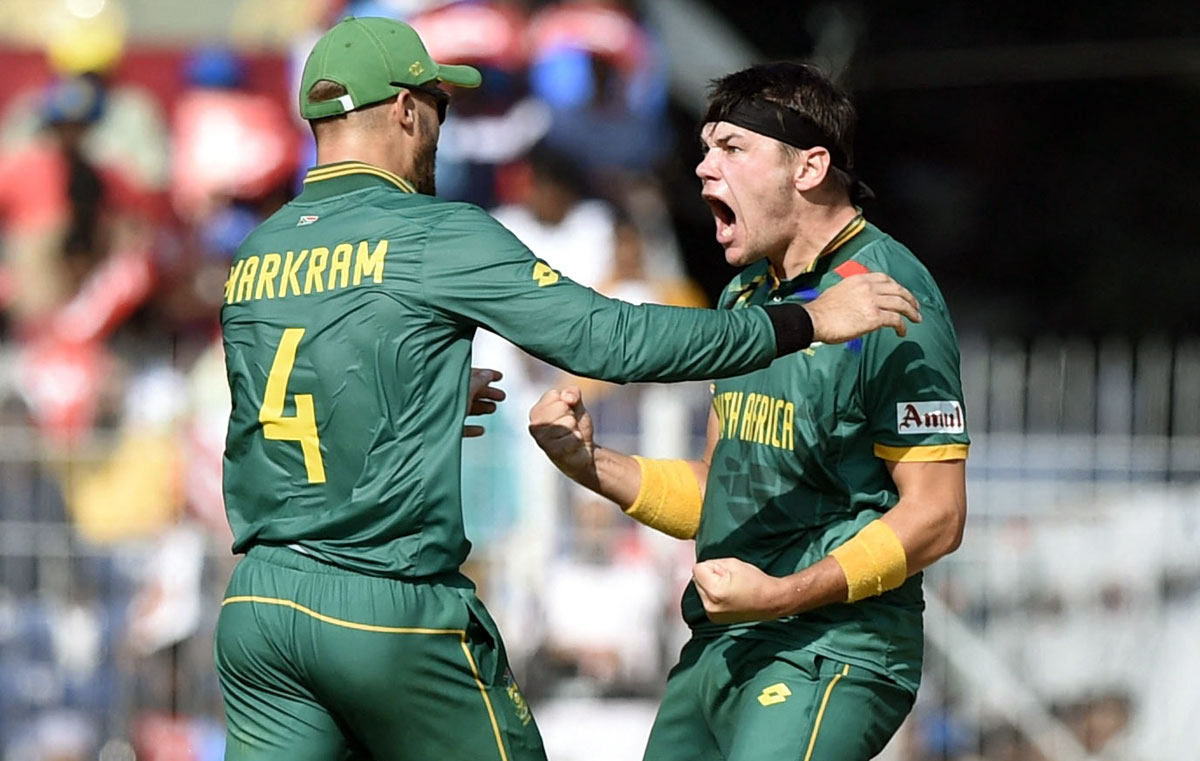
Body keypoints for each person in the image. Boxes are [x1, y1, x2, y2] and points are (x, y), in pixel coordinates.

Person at [214, 18, 921, 761]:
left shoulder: (257, 253)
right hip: (386, 607)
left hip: (260, 610)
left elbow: (272, 418)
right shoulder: (435, 234)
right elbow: (610, 341)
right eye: (440, 110)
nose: (440, 133)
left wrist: (415, 402)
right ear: (405, 110)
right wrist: (803, 320)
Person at [528, 61, 969, 761]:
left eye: (732, 148)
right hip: (719, 647)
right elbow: (721, 489)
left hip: (829, 651)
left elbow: (938, 516)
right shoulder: (745, 299)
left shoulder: (889, 296)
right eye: (704, 149)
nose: (704, 169)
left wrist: (784, 592)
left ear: (810, 167)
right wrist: (592, 464)